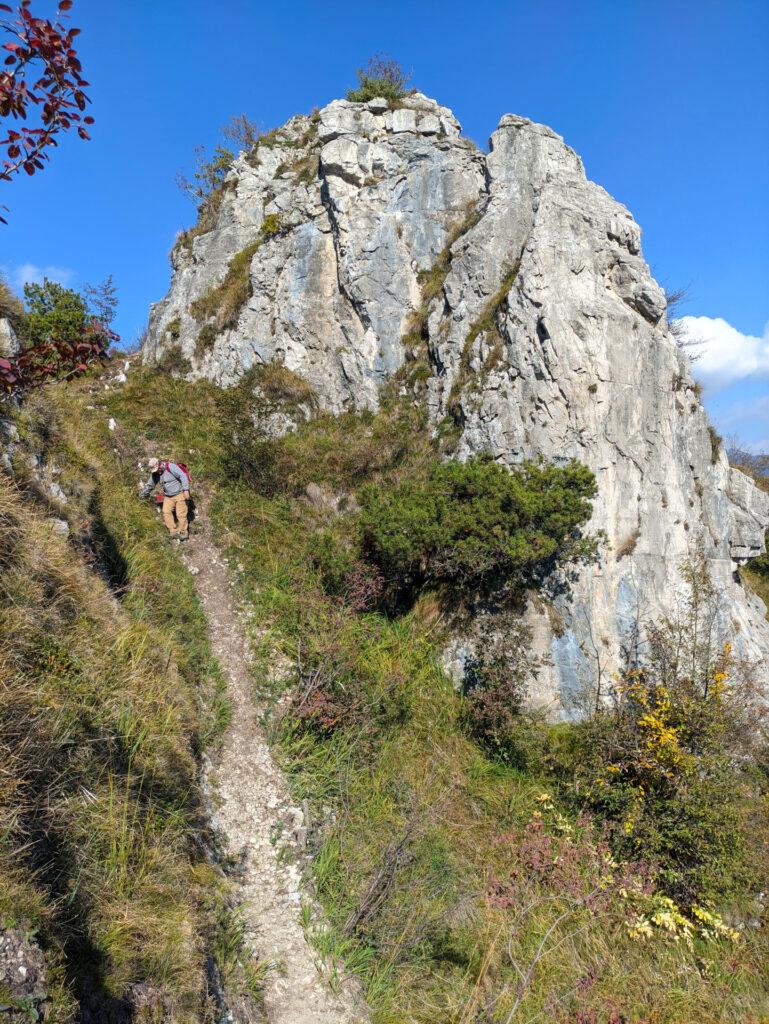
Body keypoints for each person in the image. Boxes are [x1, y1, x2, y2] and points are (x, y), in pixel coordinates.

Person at [141, 457, 191, 540]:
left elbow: (182, 476)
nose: (156, 471)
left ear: (160, 464)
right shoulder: (156, 474)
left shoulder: (171, 467)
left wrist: (186, 490)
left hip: (180, 493)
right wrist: (142, 495)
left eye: (157, 469)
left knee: (180, 514)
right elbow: (150, 485)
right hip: (168, 496)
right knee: (166, 511)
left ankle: (183, 532)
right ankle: (173, 531)